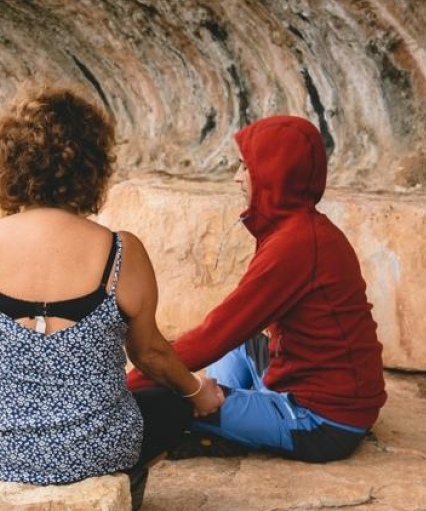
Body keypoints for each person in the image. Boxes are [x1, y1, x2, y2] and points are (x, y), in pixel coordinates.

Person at [0, 87, 223, 509]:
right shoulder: (122, 253)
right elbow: (151, 354)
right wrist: (198, 392)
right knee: (172, 407)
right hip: (96, 450)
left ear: (7, 162)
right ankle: (124, 485)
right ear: (92, 165)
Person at [128, 115, 387, 462]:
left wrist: (138, 380)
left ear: (275, 172)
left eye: (245, 166)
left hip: (323, 421)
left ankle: (223, 417)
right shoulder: (301, 229)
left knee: (164, 401)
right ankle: (231, 417)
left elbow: (214, 336)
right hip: (324, 394)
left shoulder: (296, 244)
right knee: (239, 348)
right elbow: (230, 335)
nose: (237, 177)